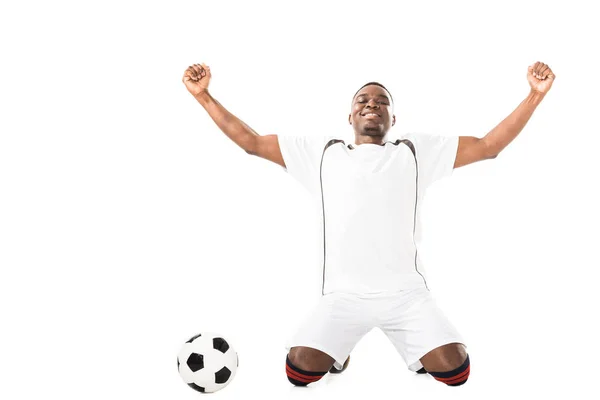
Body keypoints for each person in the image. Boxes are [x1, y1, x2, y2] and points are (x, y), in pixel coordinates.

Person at [182, 62, 555, 387]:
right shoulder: (321, 153)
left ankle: (413, 347)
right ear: (349, 117)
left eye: (381, 101)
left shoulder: (414, 151)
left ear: (393, 119)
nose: (372, 104)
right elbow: (250, 142)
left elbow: (489, 145)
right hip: (342, 297)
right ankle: (339, 353)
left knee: (456, 374)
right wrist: (204, 96)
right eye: (362, 100)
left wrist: (534, 95)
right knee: (299, 373)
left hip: (407, 297)